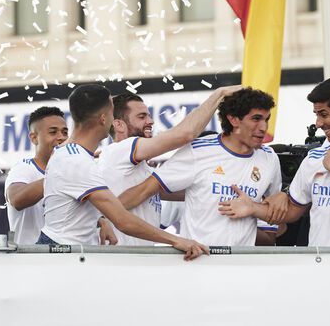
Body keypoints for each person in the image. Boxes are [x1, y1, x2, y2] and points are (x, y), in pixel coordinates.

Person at [38, 84, 208, 259]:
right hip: (61, 254)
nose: (150, 121)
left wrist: (101, 220)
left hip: (72, 254)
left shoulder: (77, 157)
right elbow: (123, 221)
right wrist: (176, 240)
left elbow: (73, 208)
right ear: (104, 119)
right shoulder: (77, 161)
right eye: (112, 113)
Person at [220, 77, 330, 247]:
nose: (318, 123)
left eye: (324, 114)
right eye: (317, 115)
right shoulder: (314, 157)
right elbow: (293, 210)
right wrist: (253, 208)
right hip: (316, 267)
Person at [121, 87, 284, 246]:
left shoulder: (269, 158)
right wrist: (105, 216)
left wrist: (282, 197)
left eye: (266, 119)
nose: (263, 127)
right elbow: (144, 190)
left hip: (242, 266)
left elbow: (276, 222)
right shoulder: (198, 150)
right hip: (197, 263)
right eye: (256, 119)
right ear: (233, 119)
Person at [99, 86, 241, 245]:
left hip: (135, 262)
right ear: (118, 125)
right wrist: (219, 95)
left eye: (149, 116)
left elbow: (198, 188)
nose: (150, 121)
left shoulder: (142, 169)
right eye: (142, 116)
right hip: (117, 262)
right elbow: (185, 134)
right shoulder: (119, 150)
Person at [4, 106, 69, 245]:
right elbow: (17, 199)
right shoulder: (23, 168)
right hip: (30, 262)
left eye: (65, 132)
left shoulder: (68, 171)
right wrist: (60, 174)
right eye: (53, 132)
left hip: (63, 258)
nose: (61, 138)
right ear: (34, 138)